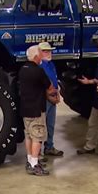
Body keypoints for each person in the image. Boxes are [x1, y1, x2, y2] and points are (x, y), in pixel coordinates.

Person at [19, 45, 53, 176]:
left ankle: (29, 160)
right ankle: (34, 164)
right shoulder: (38, 71)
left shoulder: (23, 69)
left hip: (25, 108)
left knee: (29, 135)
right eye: (40, 54)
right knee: (37, 137)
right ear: (35, 56)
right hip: (37, 109)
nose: (41, 56)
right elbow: (49, 87)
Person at [38, 42, 64, 157]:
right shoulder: (39, 66)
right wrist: (49, 97)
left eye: (50, 51)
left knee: (50, 124)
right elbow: (40, 85)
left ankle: (49, 147)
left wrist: (57, 94)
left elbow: (55, 80)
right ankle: (37, 152)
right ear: (40, 53)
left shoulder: (51, 65)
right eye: (46, 51)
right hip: (44, 100)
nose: (49, 53)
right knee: (40, 125)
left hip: (52, 98)